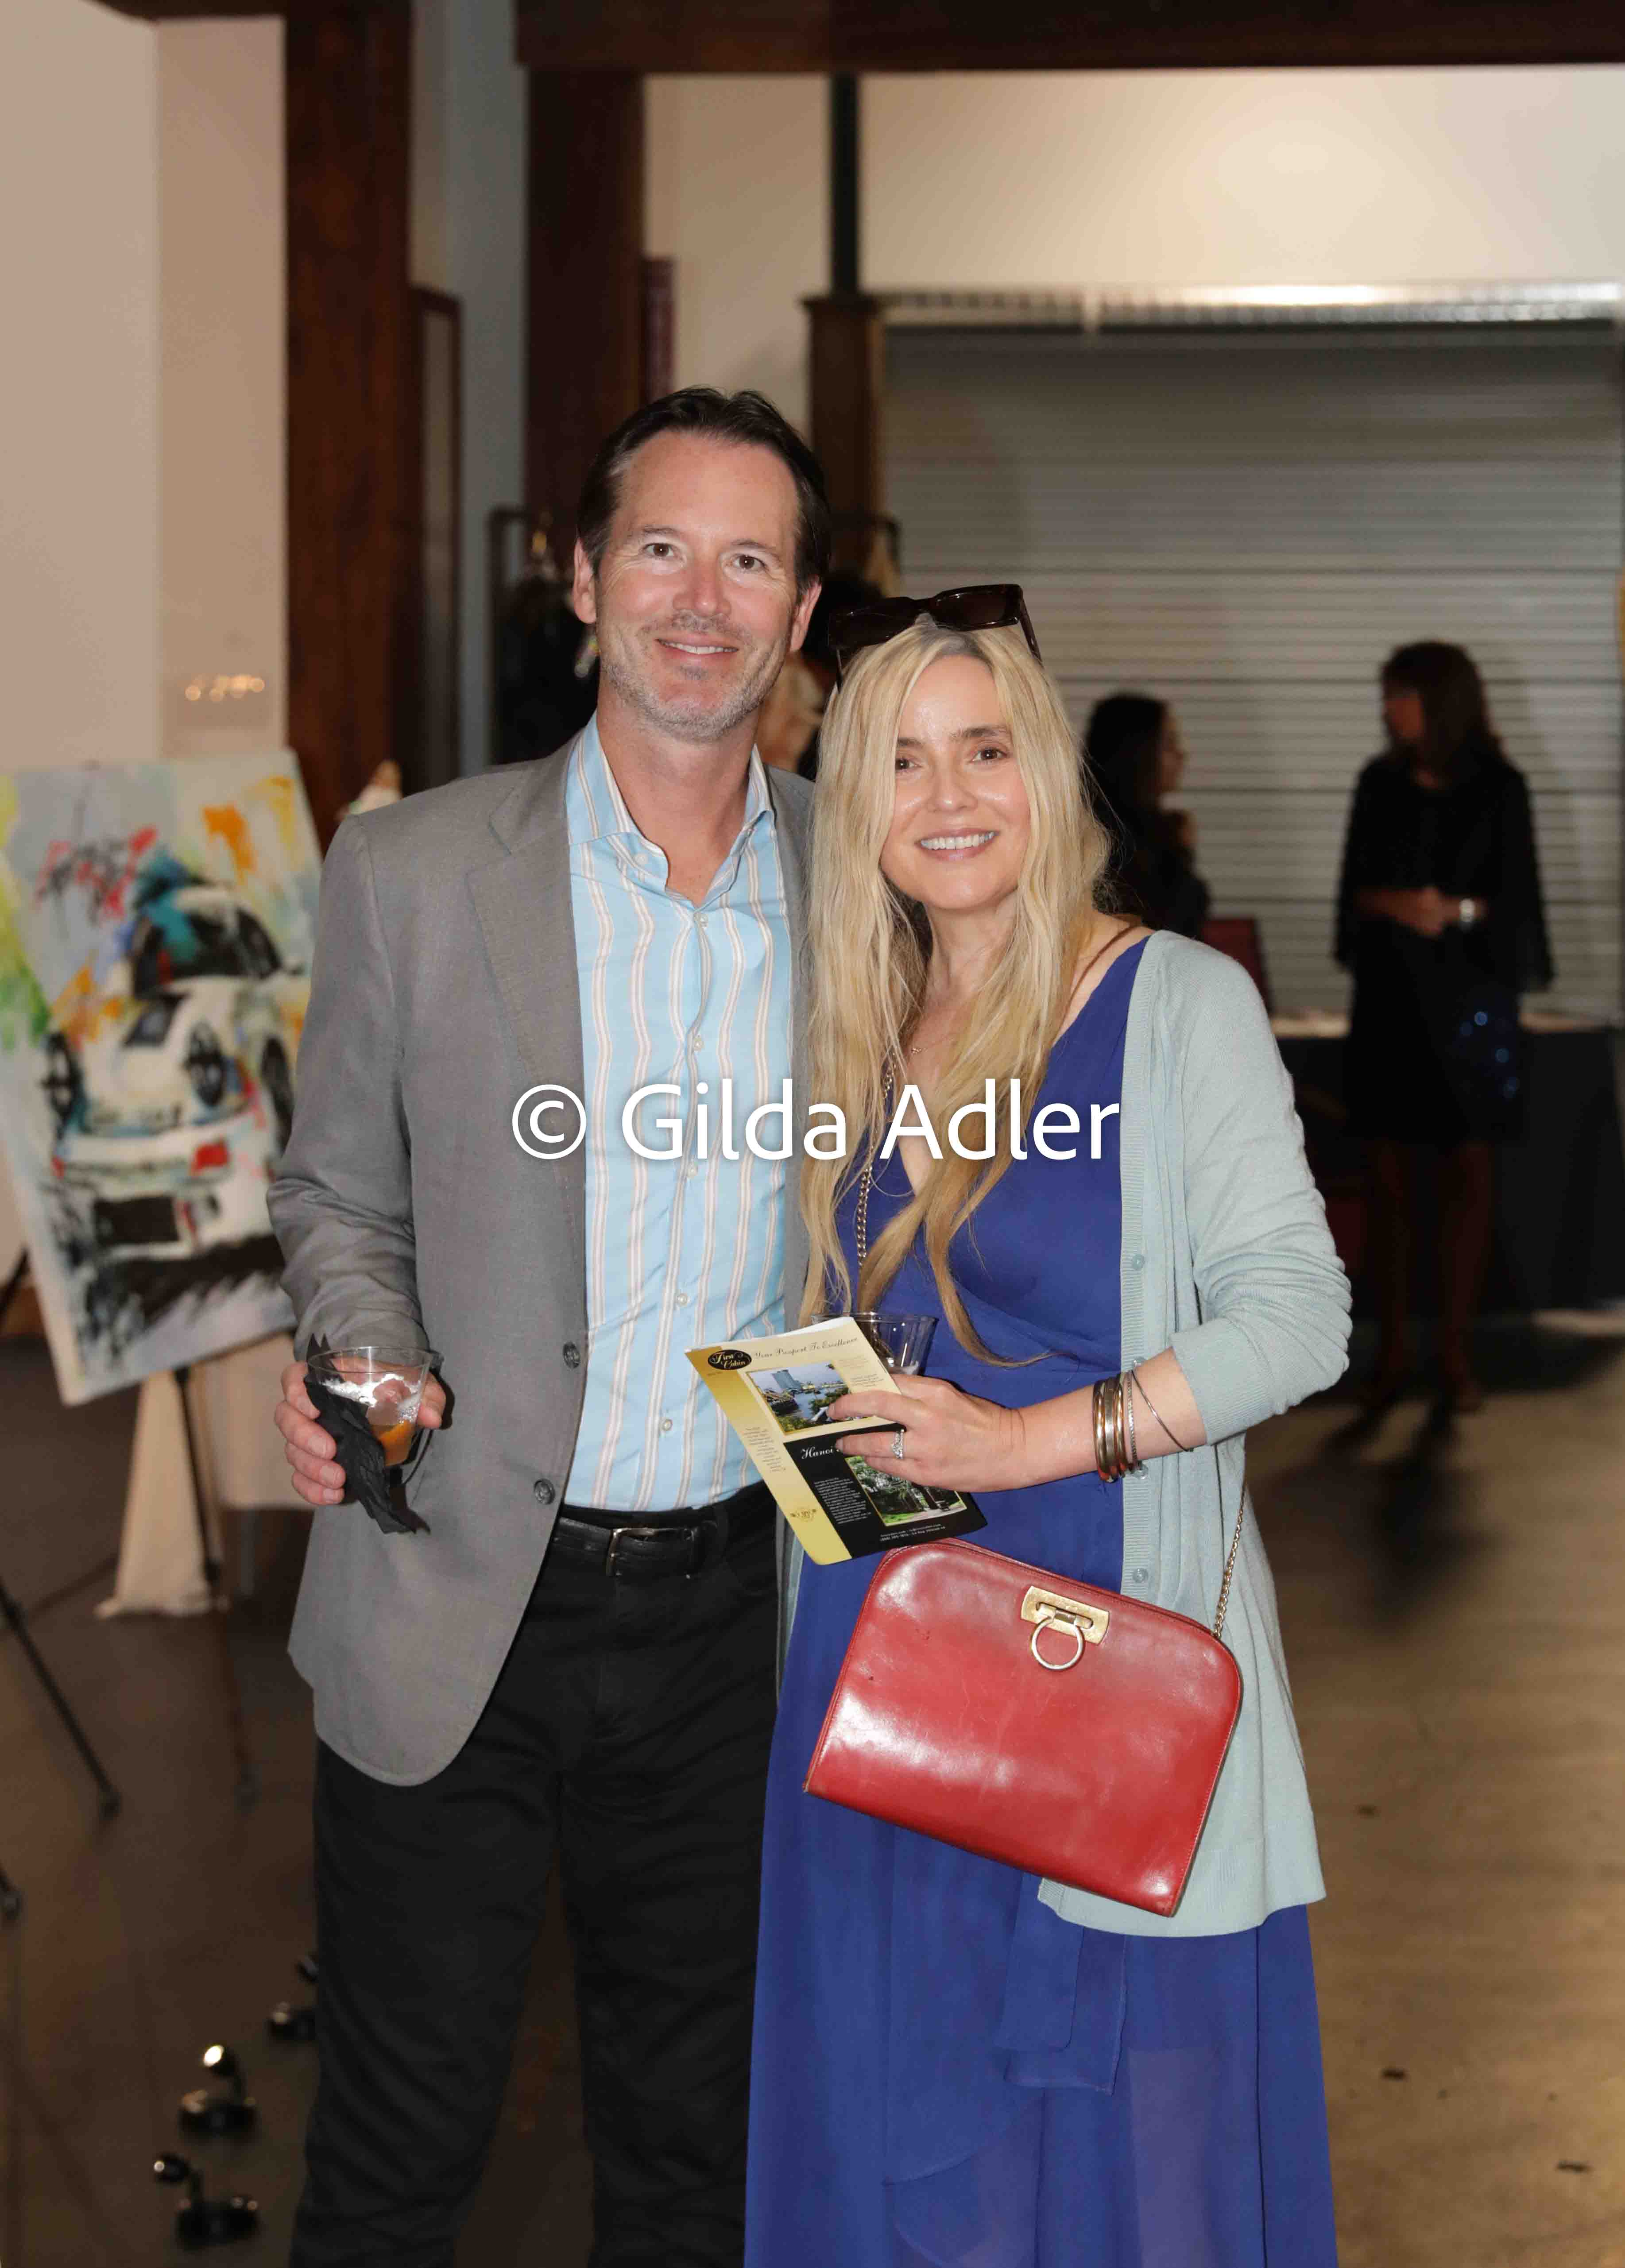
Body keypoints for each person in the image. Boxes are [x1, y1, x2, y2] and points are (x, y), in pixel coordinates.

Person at [267, 386, 826, 2267]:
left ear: (798, 613)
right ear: (584, 578)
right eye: (659, 547)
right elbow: (337, 1189)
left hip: (736, 1626)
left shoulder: (871, 887)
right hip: (456, 1593)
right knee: (396, 2160)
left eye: (747, 560)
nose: (699, 599)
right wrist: (365, 1357)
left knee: (696, 2164)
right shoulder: (413, 871)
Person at [746, 603, 1350, 2268]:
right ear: (853, 805)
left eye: (983, 749)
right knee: (907, 2151)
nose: (946, 796)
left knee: (1110, 2171)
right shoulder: (855, 1023)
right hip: (875, 1671)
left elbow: (1297, 1318)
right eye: (899, 761)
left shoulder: (1173, 1002)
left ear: (1047, 773)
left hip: (1095, 1663)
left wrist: (1019, 1444)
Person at [1334, 640, 1552, 1413]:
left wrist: (1452, 909)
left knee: (1468, 1174)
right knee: (1389, 1178)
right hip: (1392, 1004)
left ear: (1441, 701)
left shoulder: (1499, 787)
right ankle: (1393, 1349)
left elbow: (1517, 901)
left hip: (1470, 1005)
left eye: (1401, 694)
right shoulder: (1379, 782)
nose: (1388, 709)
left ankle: (1454, 1351)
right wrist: (1398, 904)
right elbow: (1353, 893)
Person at [1083, 689, 1211, 937]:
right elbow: (1168, 924)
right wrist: (1181, 852)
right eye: (1169, 744)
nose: (1182, 755)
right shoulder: (1106, 836)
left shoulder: (1154, 828)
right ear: (1138, 752)